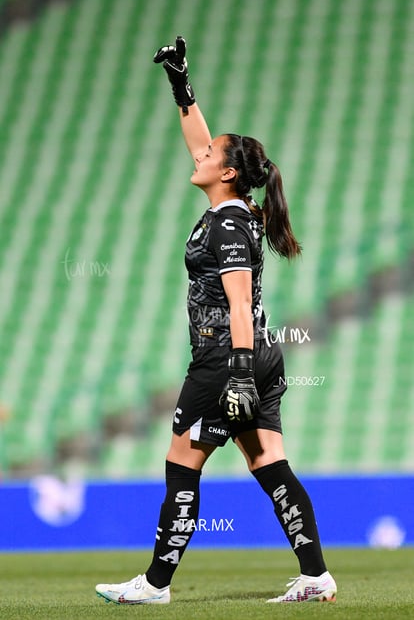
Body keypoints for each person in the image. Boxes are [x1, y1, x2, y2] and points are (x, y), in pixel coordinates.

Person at [95, 36, 337, 605]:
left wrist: (239, 373)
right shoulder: (238, 210)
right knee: (269, 461)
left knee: (182, 460)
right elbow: (202, 140)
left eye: (209, 156)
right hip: (261, 350)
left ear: (227, 173)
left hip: (228, 353)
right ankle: (316, 575)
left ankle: (155, 585)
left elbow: (236, 301)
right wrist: (181, 86)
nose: (198, 156)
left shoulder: (227, 226)